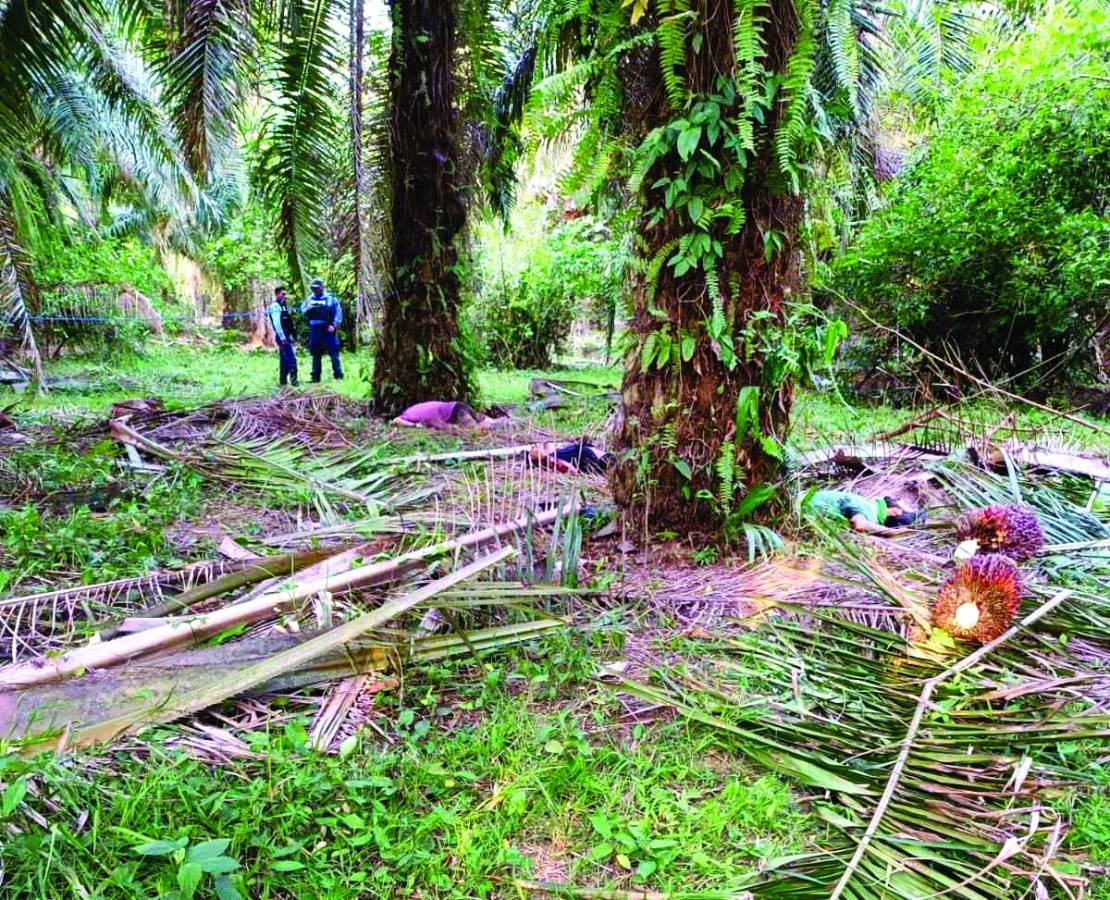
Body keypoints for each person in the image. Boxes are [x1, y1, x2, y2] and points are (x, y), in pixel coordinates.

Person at [803, 489, 924, 535]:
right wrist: (891, 532)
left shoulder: (868, 506)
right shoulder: (869, 511)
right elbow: (860, 524)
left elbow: (859, 523)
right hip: (799, 511)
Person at [301, 278, 343, 383]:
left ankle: (338, 376)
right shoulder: (309, 299)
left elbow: (338, 312)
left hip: (328, 330)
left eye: (317, 288)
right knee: (316, 355)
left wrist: (334, 324)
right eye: (313, 288)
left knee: (334, 354)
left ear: (322, 287)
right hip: (315, 331)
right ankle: (315, 378)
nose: (315, 290)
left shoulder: (331, 299)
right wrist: (308, 309)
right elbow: (302, 310)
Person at [392, 401, 506, 430]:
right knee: (479, 420)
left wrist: (417, 426)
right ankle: (501, 422)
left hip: (454, 411)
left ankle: (496, 427)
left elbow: (396, 421)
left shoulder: (408, 415)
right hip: (457, 405)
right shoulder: (415, 408)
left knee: (474, 430)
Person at [267, 286, 298, 387]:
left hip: (286, 335)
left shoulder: (283, 305)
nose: (285, 296)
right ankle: (294, 381)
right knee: (291, 358)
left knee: (284, 359)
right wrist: (283, 337)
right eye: (282, 294)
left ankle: (283, 381)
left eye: (285, 294)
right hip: (282, 336)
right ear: (277, 294)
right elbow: (277, 324)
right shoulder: (275, 306)